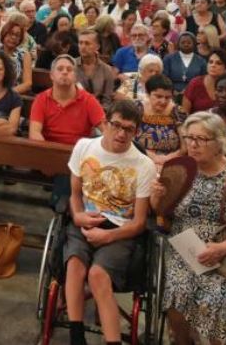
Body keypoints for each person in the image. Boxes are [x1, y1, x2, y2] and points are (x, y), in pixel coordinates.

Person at [150, 112, 226, 345]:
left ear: (219, 142)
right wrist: (156, 197)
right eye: (189, 137)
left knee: (217, 297)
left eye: (201, 139)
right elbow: (161, 212)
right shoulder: (179, 168)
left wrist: (221, 249)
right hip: (184, 251)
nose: (193, 144)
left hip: (223, 254)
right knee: (177, 294)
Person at [64, 100, 155, 345]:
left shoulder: (143, 165)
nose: (122, 133)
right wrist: (78, 215)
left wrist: (107, 236)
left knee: (97, 275)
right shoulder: (84, 147)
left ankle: (112, 341)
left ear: (136, 131)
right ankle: (76, 335)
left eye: (129, 129)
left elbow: (138, 223)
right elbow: (74, 194)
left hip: (120, 229)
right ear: (105, 123)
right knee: (74, 264)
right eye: (116, 126)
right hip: (85, 219)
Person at [30, 55, 106, 145]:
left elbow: (106, 131)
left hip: (79, 154)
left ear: (75, 77)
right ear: (51, 75)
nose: (65, 72)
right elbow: (34, 133)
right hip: (48, 151)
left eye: (69, 69)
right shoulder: (41, 99)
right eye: (60, 69)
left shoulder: (89, 100)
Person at [136, 74, 186, 167]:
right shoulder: (137, 109)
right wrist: (152, 157)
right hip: (140, 158)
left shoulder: (178, 112)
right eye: (158, 96)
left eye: (167, 97)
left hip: (172, 161)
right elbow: (130, 140)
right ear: (148, 93)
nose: (163, 101)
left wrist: (167, 159)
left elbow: (185, 146)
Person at [75, 28, 117, 110]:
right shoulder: (70, 66)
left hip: (97, 112)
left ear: (97, 47)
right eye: (80, 43)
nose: (83, 47)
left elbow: (107, 101)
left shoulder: (107, 70)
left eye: (87, 43)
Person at [182, 49, 226, 114]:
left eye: (218, 63)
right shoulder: (195, 83)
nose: (213, 65)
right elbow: (184, 113)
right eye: (210, 62)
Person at [0, 14, 33, 94]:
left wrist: (6, 94)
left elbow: (27, 83)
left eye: (17, 35)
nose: (13, 37)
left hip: (14, 95)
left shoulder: (25, 55)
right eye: (10, 34)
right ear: (4, 34)